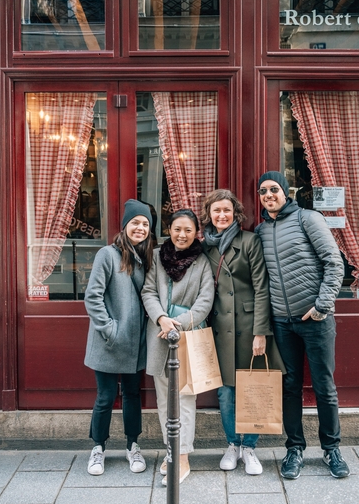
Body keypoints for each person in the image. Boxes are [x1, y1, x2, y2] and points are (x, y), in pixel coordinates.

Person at [255, 171, 350, 480]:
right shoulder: (260, 231)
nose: (268, 194)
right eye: (262, 191)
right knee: (290, 386)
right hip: (283, 321)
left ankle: (331, 448)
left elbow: (334, 263)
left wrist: (322, 306)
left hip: (315, 319)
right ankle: (294, 448)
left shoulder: (307, 219)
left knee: (324, 385)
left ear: (285, 192)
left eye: (273, 189)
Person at [201, 189, 285, 476]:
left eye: (226, 210)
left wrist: (261, 332)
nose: (221, 215)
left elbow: (262, 288)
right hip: (220, 330)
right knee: (226, 393)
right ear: (209, 215)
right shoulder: (205, 247)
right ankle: (232, 445)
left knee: (253, 389)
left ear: (235, 213)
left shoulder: (250, 241)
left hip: (250, 328)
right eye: (216, 211)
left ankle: (249, 447)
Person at [142, 209, 214, 485]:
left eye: (187, 230)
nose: (181, 235)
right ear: (169, 230)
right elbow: (148, 291)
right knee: (164, 399)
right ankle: (170, 450)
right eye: (176, 229)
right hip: (160, 334)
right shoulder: (157, 257)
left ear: (196, 232)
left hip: (188, 335)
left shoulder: (202, 261)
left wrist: (178, 323)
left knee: (184, 398)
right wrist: (162, 319)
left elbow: (205, 301)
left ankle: (182, 456)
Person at [84, 199, 153, 477]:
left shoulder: (148, 258)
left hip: (136, 344)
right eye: (135, 222)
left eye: (146, 224)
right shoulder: (108, 255)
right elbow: (93, 297)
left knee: (133, 396)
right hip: (110, 342)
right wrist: (110, 329)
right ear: (124, 226)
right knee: (105, 397)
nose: (141, 228)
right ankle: (98, 448)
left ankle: (132, 445)